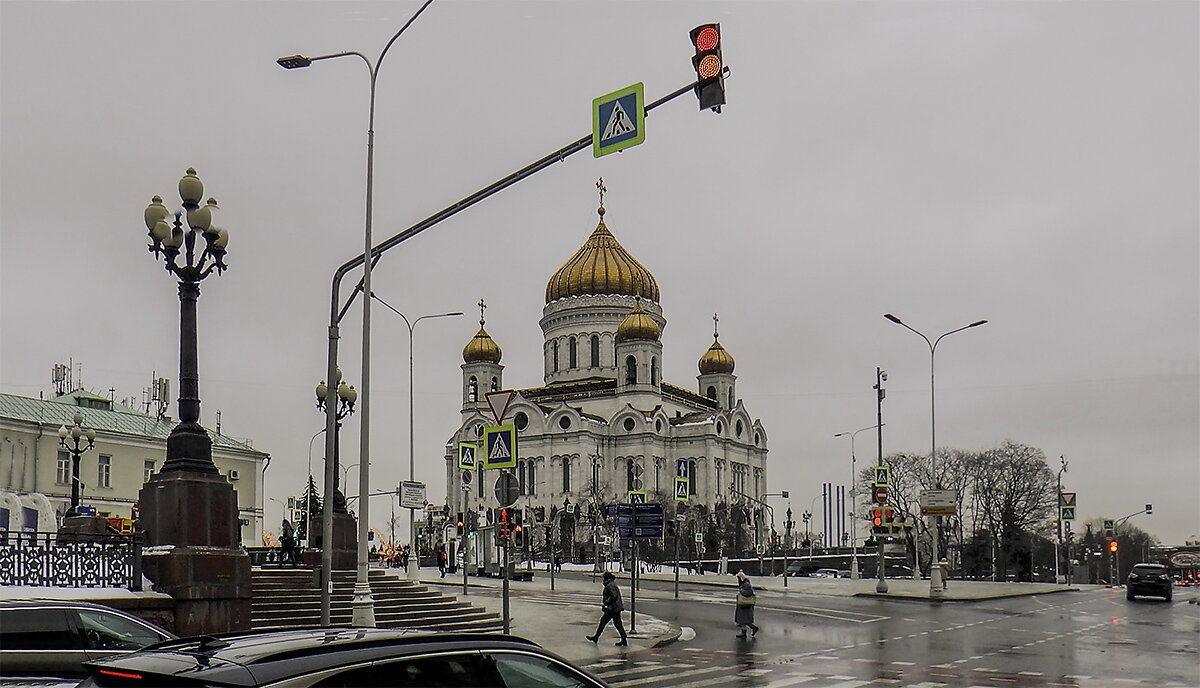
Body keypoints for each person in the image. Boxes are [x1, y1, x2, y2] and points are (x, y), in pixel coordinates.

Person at [586, 571, 628, 646]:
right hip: (615, 608)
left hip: (612, 608)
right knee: (618, 624)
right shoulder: (611, 584)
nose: (602, 579)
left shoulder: (610, 585)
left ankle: (596, 637)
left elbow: (613, 596)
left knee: (603, 622)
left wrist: (607, 602)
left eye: (603, 577)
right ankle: (624, 640)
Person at [734, 570, 759, 638]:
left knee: (744, 620)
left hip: (745, 605)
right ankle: (744, 632)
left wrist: (741, 591)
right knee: (743, 620)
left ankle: (753, 629)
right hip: (743, 605)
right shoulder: (744, 583)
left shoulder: (746, 584)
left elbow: (749, 592)